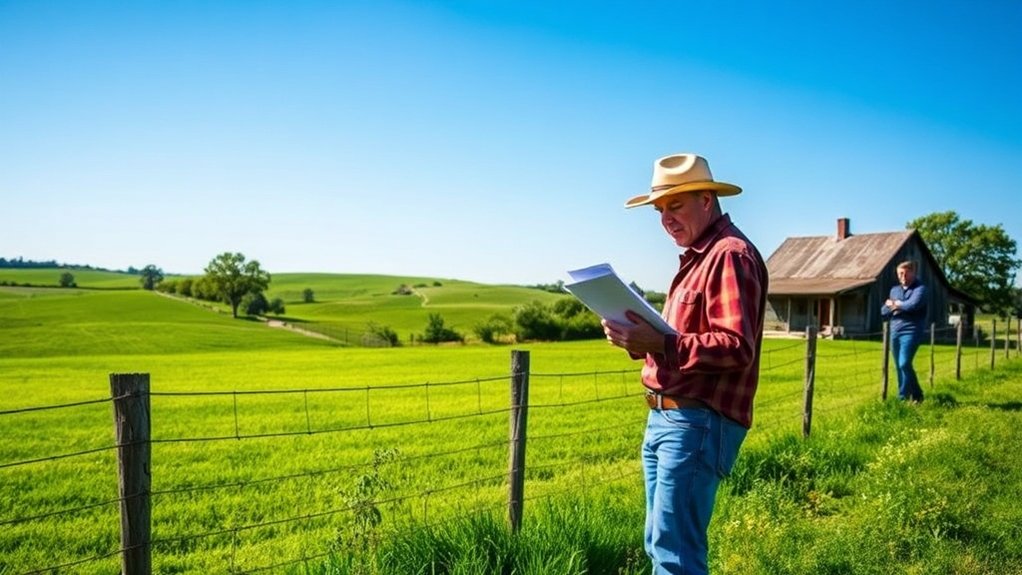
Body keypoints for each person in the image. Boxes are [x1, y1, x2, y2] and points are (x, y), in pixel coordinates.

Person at [602, 152, 768, 575]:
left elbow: (735, 346)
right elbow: (679, 340)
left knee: (675, 552)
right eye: (660, 209)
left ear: (708, 200)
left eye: (676, 205)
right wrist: (635, 339)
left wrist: (659, 342)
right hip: (667, 417)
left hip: (697, 420)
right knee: (662, 543)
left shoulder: (728, 255)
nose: (666, 219)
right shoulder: (698, 257)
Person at [880, 260, 927, 403]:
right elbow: (883, 311)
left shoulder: (921, 289)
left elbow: (913, 305)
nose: (903, 276)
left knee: (904, 363)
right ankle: (917, 395)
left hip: (912, 330)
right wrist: (897, 306)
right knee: (899, 366)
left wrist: (896, 304)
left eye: (906, 273)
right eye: (900, 273)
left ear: (913, 273)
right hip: (895, 330)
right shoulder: (894, 290)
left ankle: (902, 398)